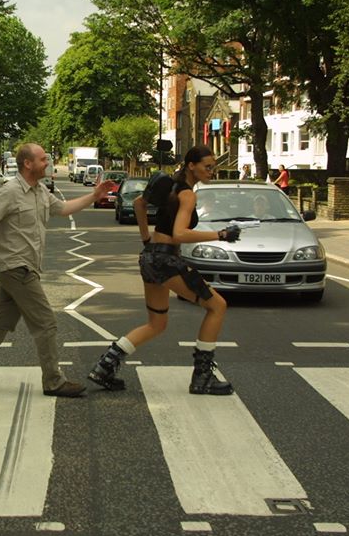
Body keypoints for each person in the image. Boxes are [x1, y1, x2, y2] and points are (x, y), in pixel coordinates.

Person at [0, 143, 110, 397]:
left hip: (26, 267)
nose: (47, 162)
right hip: (17, 268)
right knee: (46, 323)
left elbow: (64, 209)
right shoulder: (10, 192)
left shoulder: (39, 192)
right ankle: (54, 381)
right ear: (28, 164)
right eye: (43, 159)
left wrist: (94, 196)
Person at [87, 145, 241, 395]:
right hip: (167, 260)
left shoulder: (166, 184)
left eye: (214, 167)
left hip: (151, 258)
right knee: (217, 306)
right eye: (208, 166)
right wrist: (221, 234)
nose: (212, 171)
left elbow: (138, 204)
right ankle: (202, 378)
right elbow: (180, 233)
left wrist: (146, 239)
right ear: (192, 166)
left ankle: (104, 367)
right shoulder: (188, 194)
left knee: (157, 323)